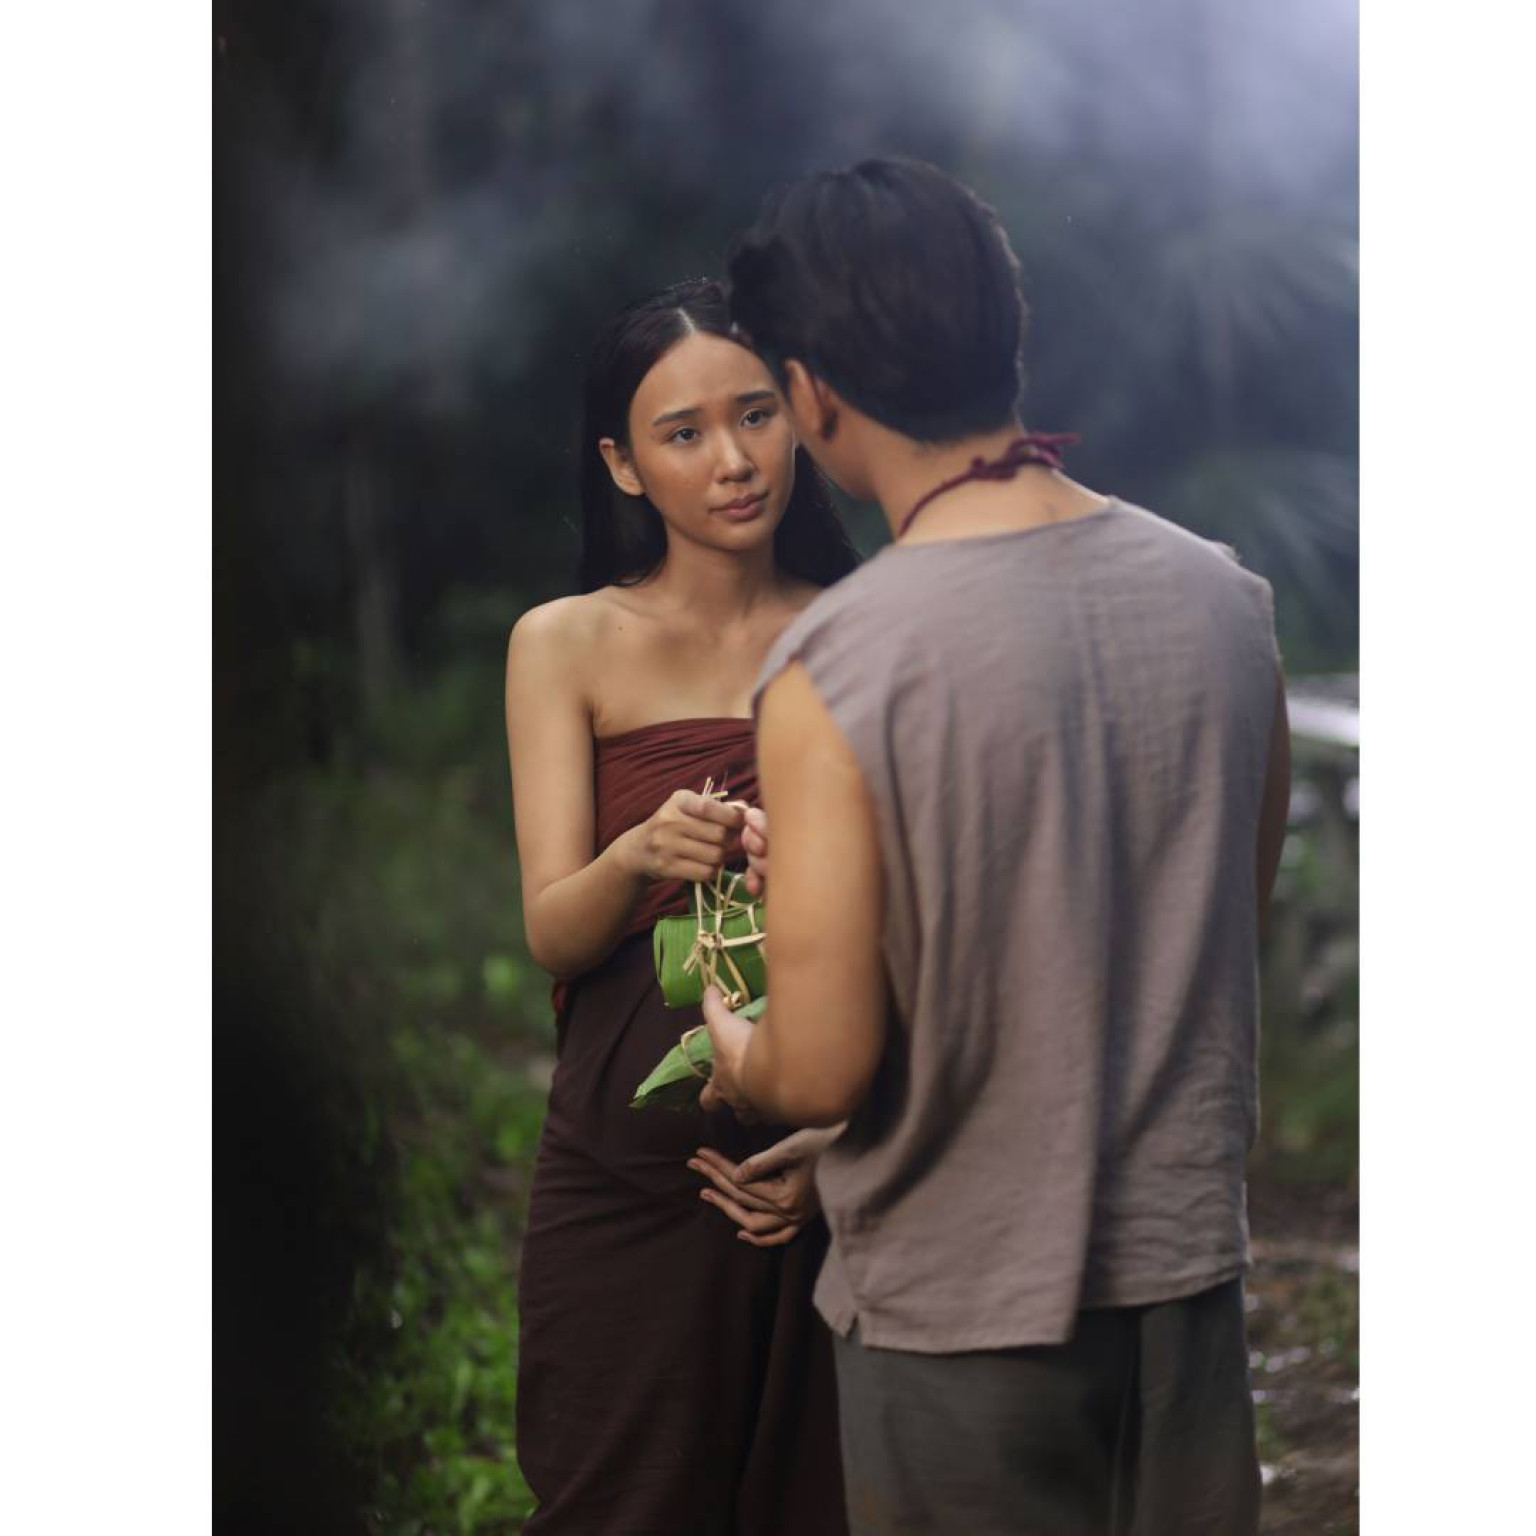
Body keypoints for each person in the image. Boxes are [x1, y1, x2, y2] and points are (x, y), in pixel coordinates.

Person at [702, 159, 1291, 1535]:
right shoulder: (1225, 603)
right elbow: (1206, 925)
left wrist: (745, 1050)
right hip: (1183, 1301)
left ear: (813, 397)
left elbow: (826, 1062)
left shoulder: (840, 663)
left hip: (954, 1321)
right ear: (1004, 330)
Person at [505, 277, 858, 1534]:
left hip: (823, 1166)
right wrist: (636, 855)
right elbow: (553, 931)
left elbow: (924, 933)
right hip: (626, 1174)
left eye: (756, 415)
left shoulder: (864, 633)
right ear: (621, 464)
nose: (734, 461)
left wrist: (847, 1153)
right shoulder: (565, 642)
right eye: (684, 432)